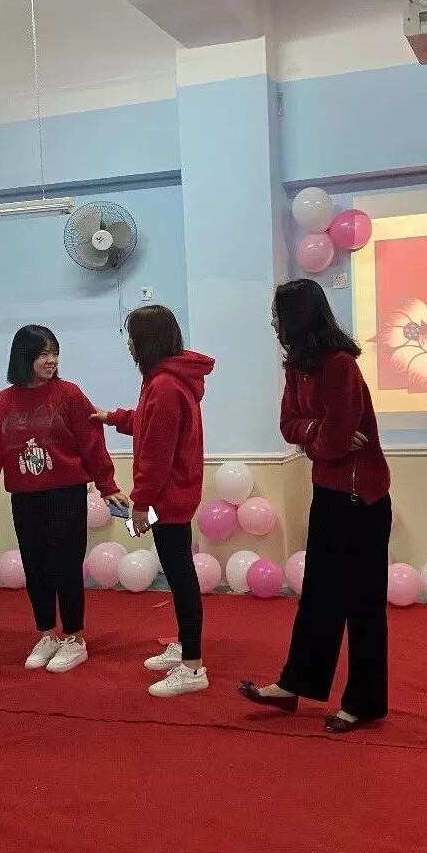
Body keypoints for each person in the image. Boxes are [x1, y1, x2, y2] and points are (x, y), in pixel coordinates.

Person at [238, 279, 392, 732]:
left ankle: (364, 703)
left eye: (277, 315)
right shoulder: (298, 367)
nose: (273, 324)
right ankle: (293, 685)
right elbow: (290, 425)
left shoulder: (340, 364)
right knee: (318, 597)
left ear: (297, 317)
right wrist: (317, 433)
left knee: (361, 605)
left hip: (361, 499)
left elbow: (340, 438)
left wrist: (323, 437)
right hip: (328, 492)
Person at [0, 325, 127, 673]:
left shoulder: (69, 394)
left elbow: (92, 443)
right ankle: (47, 634)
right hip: (25, 498)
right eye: (43, 354)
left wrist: (107, 485)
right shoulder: (4, 402)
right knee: (36, 567)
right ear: (24, 357)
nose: (51, 360)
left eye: (54, 353)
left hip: (66, 495)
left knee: (66, 566)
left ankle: (74, 638)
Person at [93, 305, 215, 698]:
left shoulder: (164, 384)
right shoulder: (165, 379)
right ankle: (185, 646)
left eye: (132, 338)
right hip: (173, 493)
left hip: (169, 497)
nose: (129, 345)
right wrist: (112, 417)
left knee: (181, 578)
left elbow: (156, 454)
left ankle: (193, 666)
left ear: (147, 341)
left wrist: (141, 503)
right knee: (179, 576)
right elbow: (148, 424)